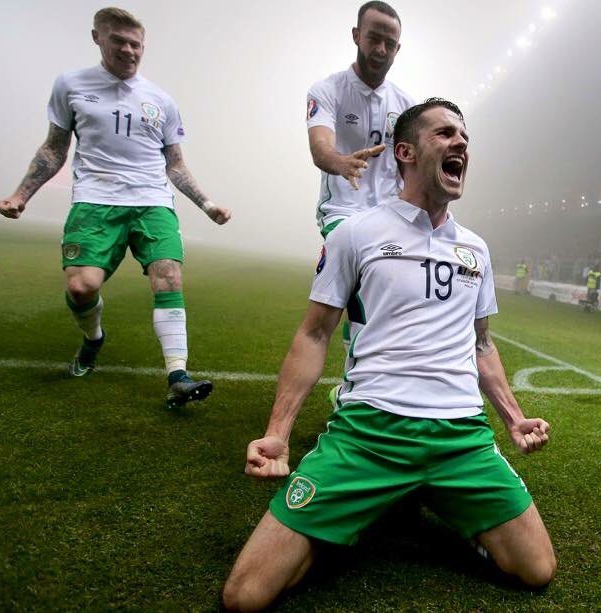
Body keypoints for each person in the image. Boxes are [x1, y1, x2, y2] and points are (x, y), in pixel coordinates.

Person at [223, 99, 556, 611]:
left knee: (537, 570)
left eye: (464, 137)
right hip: (369, 434)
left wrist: (512, 418)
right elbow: (314, 335)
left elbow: (482, 342)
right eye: (444, 134)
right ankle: (369, 509)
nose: (460, 144)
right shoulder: (356, 233)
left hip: (460, 438)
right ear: (405, 152)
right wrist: (278, 432)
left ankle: (425, 493)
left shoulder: (476, 249)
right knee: (246, 595)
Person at [0, 7, 231, 408]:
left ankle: (178, 375)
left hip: (152, 201)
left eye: (135, 43)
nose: (128, 49)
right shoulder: (71, 85)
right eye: (118, 40)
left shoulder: (161, 100)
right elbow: (54, 149)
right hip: (95, 200)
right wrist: (21, 195)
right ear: (97, 38)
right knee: (81, 287)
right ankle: (93, 339)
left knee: (168, 277)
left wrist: (207, 204)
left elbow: (175, 163)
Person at [305, 1, 416, 349]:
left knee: (390, 302)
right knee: (367, 289)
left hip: (389, 215)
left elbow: (411, 165)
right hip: (343, 210)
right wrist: (341, 163)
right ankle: (358, 382)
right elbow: (320, 147)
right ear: (356, 36)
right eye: (373, 38)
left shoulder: (406, 105)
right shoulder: (328, 90)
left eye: (389, 43)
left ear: (398, 48)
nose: (380, 49)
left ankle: (358, 381)